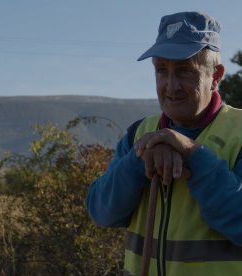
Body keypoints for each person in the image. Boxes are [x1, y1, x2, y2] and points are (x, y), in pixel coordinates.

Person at [86, 11, 242, 276]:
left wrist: (193, 154)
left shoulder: (238, 133)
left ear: (216, 76)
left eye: (185, 72)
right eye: (161, 70)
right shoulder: (139, 133)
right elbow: (102, 212)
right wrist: (141, 156)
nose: (171, 86)